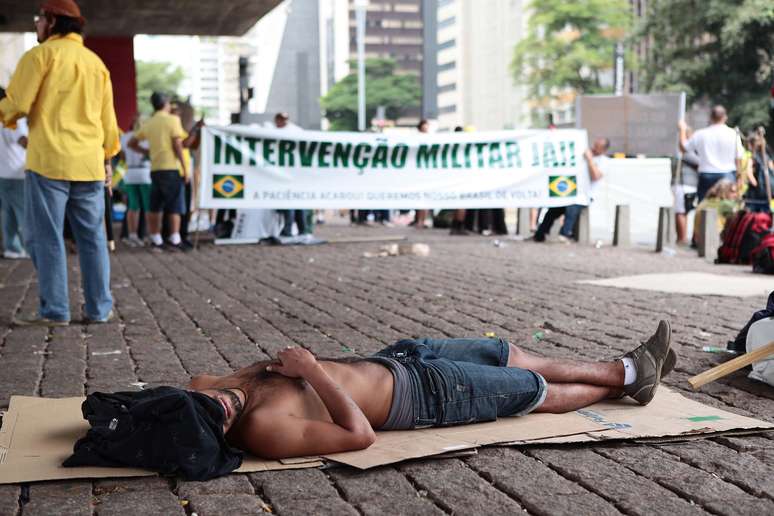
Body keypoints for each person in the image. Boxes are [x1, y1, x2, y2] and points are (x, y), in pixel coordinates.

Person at [188, 321, 674, 459]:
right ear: (226, 434)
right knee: (532, 390)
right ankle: (629, 375)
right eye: (223, 416)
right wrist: (312, 370)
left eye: (213, 402)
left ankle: (632, 371)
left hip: (397, 358)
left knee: (507, 352)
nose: (224, 404)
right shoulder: (263, 429)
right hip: (425, 398)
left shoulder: (211, 390)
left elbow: (170, 399)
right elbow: (360, 437)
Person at [0, 0, 119, 326]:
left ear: (51, 22)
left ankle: (55, 310)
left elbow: (16, 105)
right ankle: (99, 309)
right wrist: (108, 158)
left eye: (39, 19)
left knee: (46, 237)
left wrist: (5, 111)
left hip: (49, 162)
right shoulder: (96, 63)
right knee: (92, 239)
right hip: (89, 164)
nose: (36, 24)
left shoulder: (39, 56)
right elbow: (109, 122)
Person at [129, 92, 189, 251]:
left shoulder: (149, 123)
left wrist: (147, 153)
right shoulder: (173, 120)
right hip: (170, 168)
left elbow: (131, 143)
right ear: (165, 103)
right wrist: (185, 168)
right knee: (175, 204)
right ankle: (175, 239)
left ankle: (156, 238)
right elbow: (178, 145)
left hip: (155, 170)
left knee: (155, 205)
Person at [533, 137, 609, 243]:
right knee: (553, 210)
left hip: (586, 195)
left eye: (597, 147)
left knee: (572, 208)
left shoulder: (604, 161)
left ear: (603, 150)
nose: (593, 148)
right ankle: (540, 234)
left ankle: (565, 233)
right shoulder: (582, 155)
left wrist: (590, 160)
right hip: (570, 192)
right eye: (594, 145)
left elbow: (595, 176)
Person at [678, 106, 744, 203]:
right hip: (727, 174)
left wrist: (682, 130)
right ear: (725, 117)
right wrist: (740, 179)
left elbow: (683, 148)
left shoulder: (700, 134)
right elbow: (738, 158)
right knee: (726, 206)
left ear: (711, 117)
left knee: (705, 207)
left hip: (706, 175)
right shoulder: (733, 134)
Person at [0, 87, 29, 259]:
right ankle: (29, 247)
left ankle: (12, 248)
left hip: (2, 173)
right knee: (25, 212)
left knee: (8, 212)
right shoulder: (11, 118)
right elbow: (23, 141)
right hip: (17, 172)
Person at [274, 112, 311, 236]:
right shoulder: (293, 131)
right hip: (288, 173)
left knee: (292, 203)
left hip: (293, 173)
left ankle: (293, 229)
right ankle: (298, 229)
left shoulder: (293, 131)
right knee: (294, 202)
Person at [120, 114, 151, 247]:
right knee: (149, 207)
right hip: (144, 172)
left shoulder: (124, 136)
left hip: (130, 173)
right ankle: (151, 235)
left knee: (133, 207)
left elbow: (122, 156)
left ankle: (132, 236)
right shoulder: (146, 136)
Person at [673, 128, 700, 245]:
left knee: (683, 211)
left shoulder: (681, 152)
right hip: (685, 185)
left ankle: (684, 238)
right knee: (681, 211)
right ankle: (682, 239)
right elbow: (701, 163)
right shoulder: (685, 152)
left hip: (685, 184)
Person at [413, 119, 431, 229]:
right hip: (418, 173)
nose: (426, 129)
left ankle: (423, 220)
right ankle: (419, 220)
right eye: (425, 127)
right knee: (420, 199)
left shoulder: (430, 138)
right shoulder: (416, 139)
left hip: (427, 173)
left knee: (426, 199)